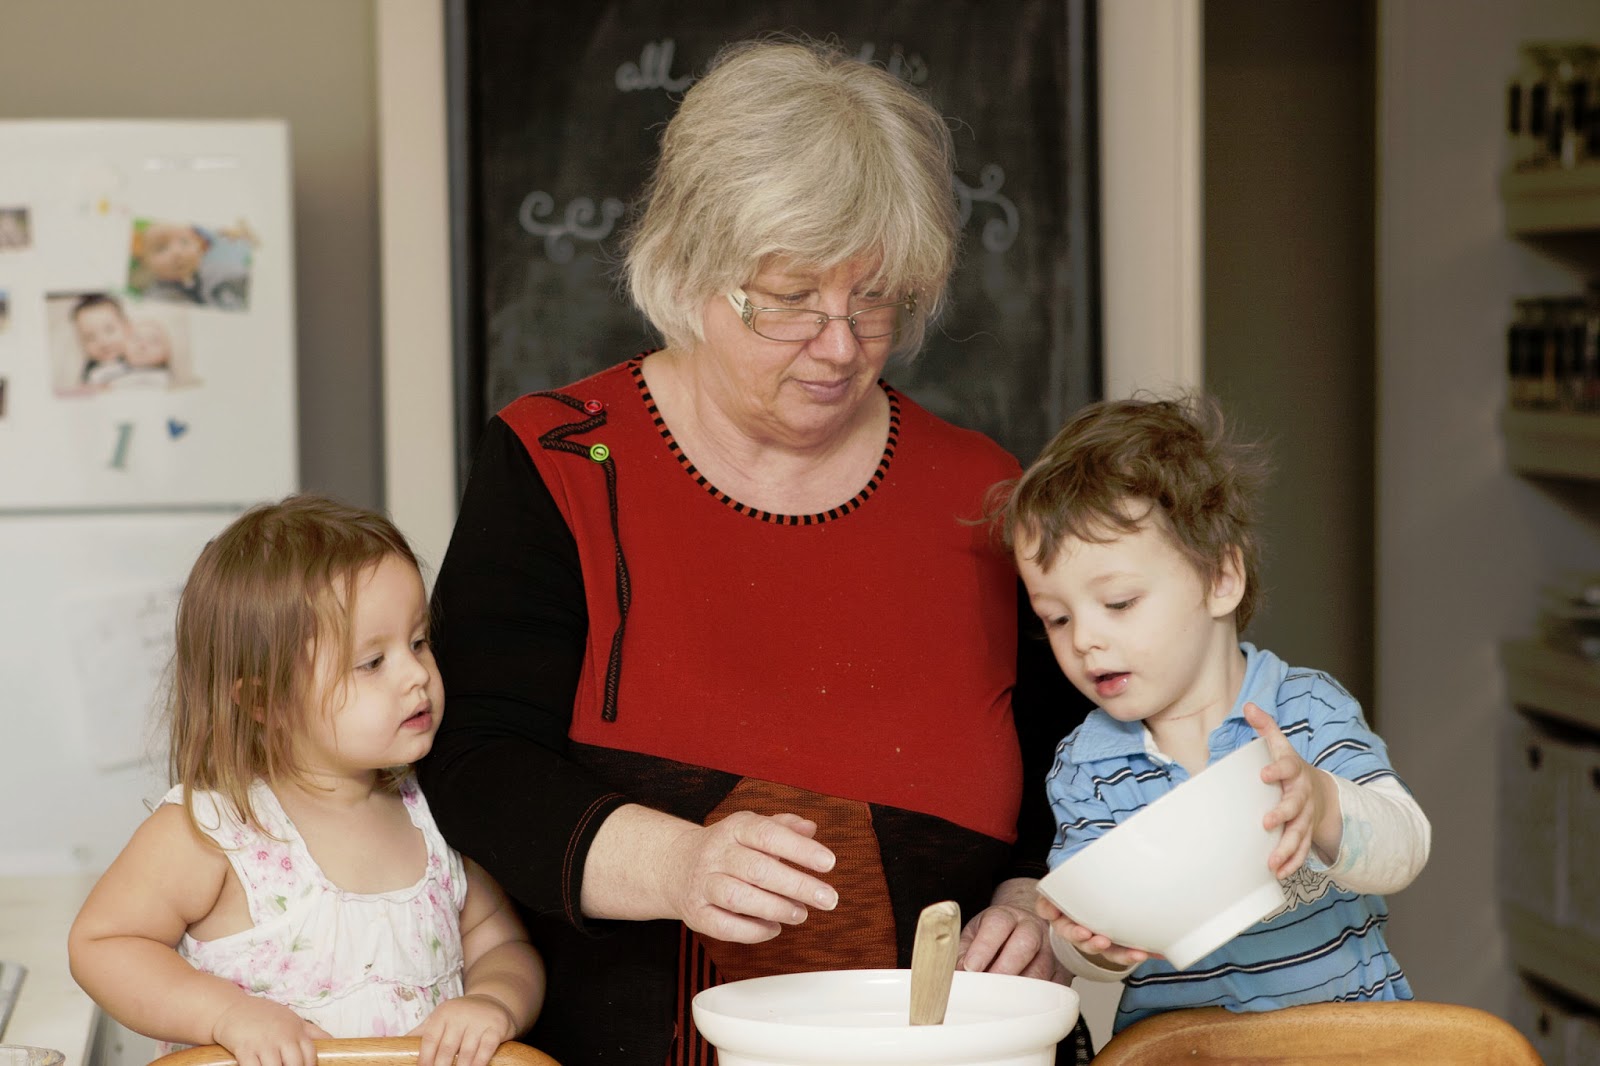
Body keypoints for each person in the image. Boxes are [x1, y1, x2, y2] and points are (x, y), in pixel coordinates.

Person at [416, 35, 1095, 1066]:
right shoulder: (561, 463)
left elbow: (1080, 768)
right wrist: (675, 863)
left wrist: (1032, 901)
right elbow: (473, 762)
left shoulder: (987, 495)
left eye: (876, 298)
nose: (841, 343)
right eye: (791, 299)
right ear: (690, 268)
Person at [993, 394, 1431, 1035]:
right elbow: (1078, 942)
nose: (1084, 639)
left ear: (1222, 578)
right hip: (1183, 1051)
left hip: (1347, 1042)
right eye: (1057, 618)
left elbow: (1405, 849)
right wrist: (1089, 945)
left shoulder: (1305, 711)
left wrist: (1320, 801)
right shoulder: (1087, 768)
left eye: (1119, 603)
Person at [68, 494, 546, 1066]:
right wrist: (226, 1014)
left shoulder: (435, 809)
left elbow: (504, 944)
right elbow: (104, 944)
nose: (416, 674)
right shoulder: (218, 829)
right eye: (372, 662)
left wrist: (493, 1000)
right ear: (266, 701)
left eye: (419, 642)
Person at [130, 218, 252, 309]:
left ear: (200, 248)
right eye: (161, 248)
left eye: (184, 242)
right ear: (146, 262)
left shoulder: (217, 272)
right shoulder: (155, 299)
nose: (177, 253)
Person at [71, 292, 132, 387]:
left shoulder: (142, 357)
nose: (103, 342)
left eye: (109, 330)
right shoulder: (90, 372)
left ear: (127, 327)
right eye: (90, 337)